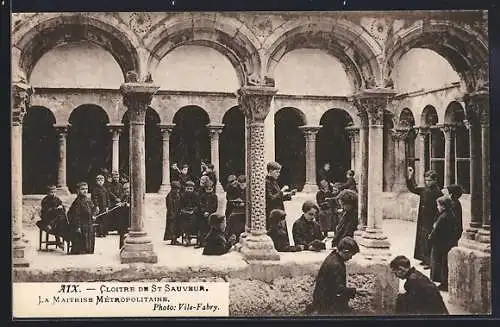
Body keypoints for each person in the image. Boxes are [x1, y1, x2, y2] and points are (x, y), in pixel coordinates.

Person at [308, 237, 360, 315]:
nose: (351, 258)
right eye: (351, 255)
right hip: (326, 305)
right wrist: (357, 291)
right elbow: (338, 290)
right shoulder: (335, 265)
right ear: (346, 251)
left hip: (324, 301)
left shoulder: (333, 256)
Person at [406, 167, 443, 269]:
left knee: (429, 239)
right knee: (422, 239)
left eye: (429, 180)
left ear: (435, 180)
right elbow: (413, 188)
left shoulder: (438, 192)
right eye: (426, 180)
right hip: (423, 218)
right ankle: (423, 258)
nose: (427, 182)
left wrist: (436, 221)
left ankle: (430, 261)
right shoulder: (424, 190)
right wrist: (410, 177)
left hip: (431, 219)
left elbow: (439, 208)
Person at [428, 196, 460, 291]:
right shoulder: (451, 214)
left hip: (441, 244)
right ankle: (444, 282)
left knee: (442, 264)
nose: (437, 207)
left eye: (438, 205)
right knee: (444, 264)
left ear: (443, 207)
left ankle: (444, 283)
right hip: (448, 243)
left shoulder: (443, 217)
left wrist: (430, 238)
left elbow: (436, 231)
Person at [67, 182, 97, 255]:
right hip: (80, 224)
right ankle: (81, 249)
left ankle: (88, 249)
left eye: (86, 189)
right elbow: (75, 215)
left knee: (90, 230)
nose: (85, 191)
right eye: (82, 189)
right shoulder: (77, 202)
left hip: (88, 222)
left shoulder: (88, 200)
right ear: (78, 190)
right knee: (81, 234)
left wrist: (94, 214)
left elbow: (92, 209)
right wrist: (77, 226)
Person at [197, 182, 218, 248]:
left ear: (213, 188)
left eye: (210, 189)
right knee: (201, 225)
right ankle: (201, 241)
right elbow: (200, 205)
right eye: (207, 189)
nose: (208, 191)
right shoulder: (202, 196)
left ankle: (209, 241)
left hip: (211, 213)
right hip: (203, 214)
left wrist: (209, 212)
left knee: (211, 224)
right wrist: (204, 212)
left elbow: (214, 206)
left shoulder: (214, 196)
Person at [179, 181, 200, 246]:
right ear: (185, 188)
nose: (189, 190)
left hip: (193, 212)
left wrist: (193, 211)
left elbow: (198, 205)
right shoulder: (183, 196)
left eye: (191, 189)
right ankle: (187, 236)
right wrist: (184, 211)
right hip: (185, 212)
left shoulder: (196, 195)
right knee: (184, 220)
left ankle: (189, 236)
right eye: (188, 188)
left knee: (193, 219)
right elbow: (180, 206)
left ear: (193, 189)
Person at [116, 182, 131, 250]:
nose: (126, 190)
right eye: (124, 189)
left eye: (128, 188)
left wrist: (125, 204)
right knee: (122, 233)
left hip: (129, 219)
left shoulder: (133, 197)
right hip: (123, 219)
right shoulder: (123, 196)